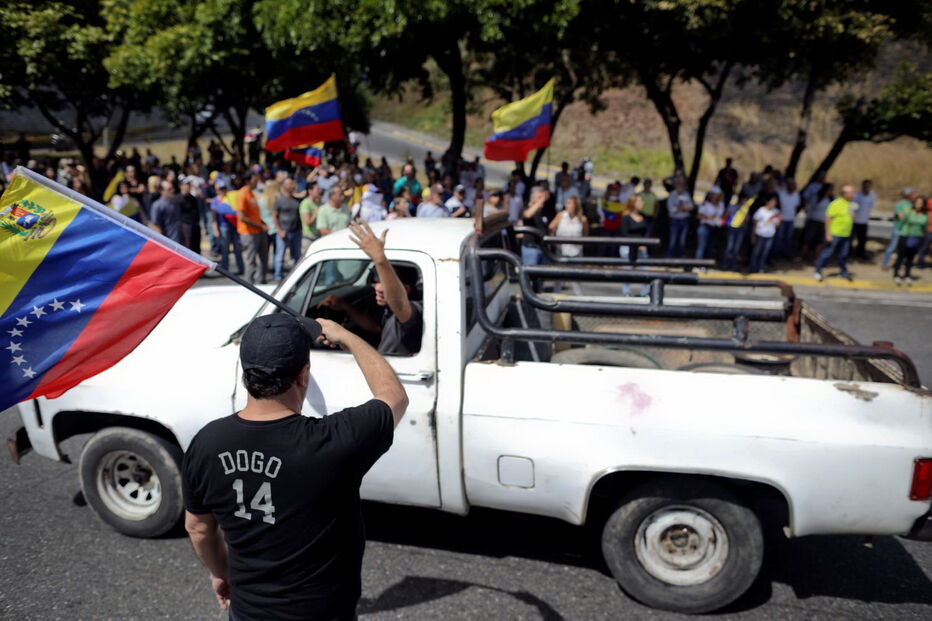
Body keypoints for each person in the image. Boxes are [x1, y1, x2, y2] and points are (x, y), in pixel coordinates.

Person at [182, 312, 408, 620]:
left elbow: (197, 527)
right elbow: (393, 396)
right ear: (303, 375)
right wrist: (348, 337)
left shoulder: (206, 443)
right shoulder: (334, 441)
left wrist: (220, 572)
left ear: (245, 372)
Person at [319, 222, 424, 356]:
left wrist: (379, 259)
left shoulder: (413, 311)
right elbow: (375, 327)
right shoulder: (388, 311)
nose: (379, 288)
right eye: (376, 281)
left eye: (384, 283)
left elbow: (400, 304)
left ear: (406, 289)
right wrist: (346, 307)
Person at [814, 184, 856, 282]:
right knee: (827, 253)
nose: (854, 194)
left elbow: (851, 217)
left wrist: (853, 216)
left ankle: (843, 271)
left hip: (846, 234)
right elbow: (828, 219)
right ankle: (818, 271)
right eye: (852, 192)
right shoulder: (836, 204)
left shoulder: (851, 204)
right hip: (835, 233)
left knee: (844, 254)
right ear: (845, 194)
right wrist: (828, 234)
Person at [235, 173, 269, 285]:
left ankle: (261, 281)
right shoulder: (242, 194)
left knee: (264, 258)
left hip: (258, 231)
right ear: (248, 181)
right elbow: (242, 217)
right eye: (255, 180)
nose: (257, 182)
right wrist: (260, 225)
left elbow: (254, 214)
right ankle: (249, 284)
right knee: (251, 261)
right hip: (248, 233)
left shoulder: (251, 194)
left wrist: (262, 223)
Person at [893, 196, 929, 286]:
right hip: (906, 236)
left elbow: (925, 227)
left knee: (910, 258)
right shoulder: (909, 211)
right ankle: (896, 274)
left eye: (921, 203)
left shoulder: (925, 214)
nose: (918, 205)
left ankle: (907, 275)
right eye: (917, 202)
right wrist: (900, 230)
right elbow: (900, 222)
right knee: (901, 256)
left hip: (917, 238)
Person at [273, 177, 303, 281]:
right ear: (284, 186)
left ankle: (297, 276)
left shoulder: (296, 199)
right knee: (280, 255)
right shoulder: (280, 200)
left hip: (296, 231)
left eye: (293, 183)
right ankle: (278, 276)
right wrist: (279, 230)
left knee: (297, 255)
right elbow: (275, 216)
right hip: (284, 231)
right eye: (290, 184)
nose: (292, 186)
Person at [882, 187, 916, 269]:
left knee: (904, 248)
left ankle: (900, 263)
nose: (915, 195)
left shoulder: (912, 204)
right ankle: (885, 264)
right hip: (898, 230)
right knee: (892, 247)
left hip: (907, 230)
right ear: (908, 195)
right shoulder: (900, 204)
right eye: (913, 193)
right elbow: (901, 217)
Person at [799, 182, 833, 262]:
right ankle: (802, 255)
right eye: (830, 190)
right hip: (813, 221)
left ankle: (816, 257)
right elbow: (810, 208)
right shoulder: (816, 198)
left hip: (823, 222)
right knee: (807, 239)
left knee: (820, 241)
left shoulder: (830, 199)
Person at [519, 186, 552, 265]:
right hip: (531, 248)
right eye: (539, 197)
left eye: (543, 198)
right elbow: (527, 215)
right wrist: (539, 202)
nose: (542, 200)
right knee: (531, 275)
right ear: (533, 198)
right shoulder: (527, 208)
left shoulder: (544, 211)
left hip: (543, 248)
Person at [721, 194, 754, 272]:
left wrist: (744, 213)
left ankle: (733, 266)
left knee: (736, 248)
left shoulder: (746, 209)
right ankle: (724, 265)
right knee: (729, 247)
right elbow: (725, 216)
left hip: (740, 230)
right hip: (732, 229)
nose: (745, 202)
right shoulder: (733, 207)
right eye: (744, 200)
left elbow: (746, 220)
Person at [749, 195, 781, 273]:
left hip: (769, 235)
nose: (773, 204)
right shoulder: (761, 210)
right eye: (772, 202)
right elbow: (755, 223)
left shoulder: (776, 212)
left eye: (775, 203)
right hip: (760, 235)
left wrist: (777, 218)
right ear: (767, 202)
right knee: (756, 252)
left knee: (764, 253)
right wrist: (753, 235)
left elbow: (777, 224)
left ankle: (760, 268)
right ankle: (753, 268)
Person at [666, 177, 693, 258]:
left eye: (682, 184)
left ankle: (680, 260)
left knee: (682, 242)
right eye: (679, 184)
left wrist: (680, 208)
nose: (681, 186)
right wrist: (682, 208)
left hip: (684, 221)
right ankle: (669, 260)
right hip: (674, 221)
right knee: (672, 241)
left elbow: (691, 207)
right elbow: (671, 210)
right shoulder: (672, 195)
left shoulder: (686, 194)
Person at [696, 186, 724, 260]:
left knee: (710, 247)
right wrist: (709, 217)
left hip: (714, 228)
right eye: (713, 194)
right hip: (704, 227)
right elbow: (699, 216)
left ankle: (705, 264)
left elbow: (721, 217)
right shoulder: (705, 204)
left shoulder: (721, 205)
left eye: (716, 195)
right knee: (702, 246)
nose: (714, 196)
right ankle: (697, 263)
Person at [775, 178, 800, 258]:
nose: (793, 188)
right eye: (791, 186)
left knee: (788, 238)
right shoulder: (781, 194)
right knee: (778, 237)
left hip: (791, 219)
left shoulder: (796, 195)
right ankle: (775, 253)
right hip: (781, 219)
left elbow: (796, 206)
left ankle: (785, 253)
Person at [851, 179, 876, 259]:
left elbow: (871, 206)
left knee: (862, 239)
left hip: (864, 221)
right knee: (851, 238)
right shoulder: (857, 195)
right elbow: (853, 207)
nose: (867, 188)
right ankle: (849, 253)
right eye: (865, 186)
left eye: (868, 186)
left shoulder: (872, 195)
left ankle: (860, 253)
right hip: (855, 221)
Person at [299, 182, 322, 248]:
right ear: (310, 191)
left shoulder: (318, 203)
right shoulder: (305, 204)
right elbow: (308, 222)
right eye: (317, 189)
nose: (319, 191)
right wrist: (315, 214)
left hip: (318, 236)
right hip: (309, 237)